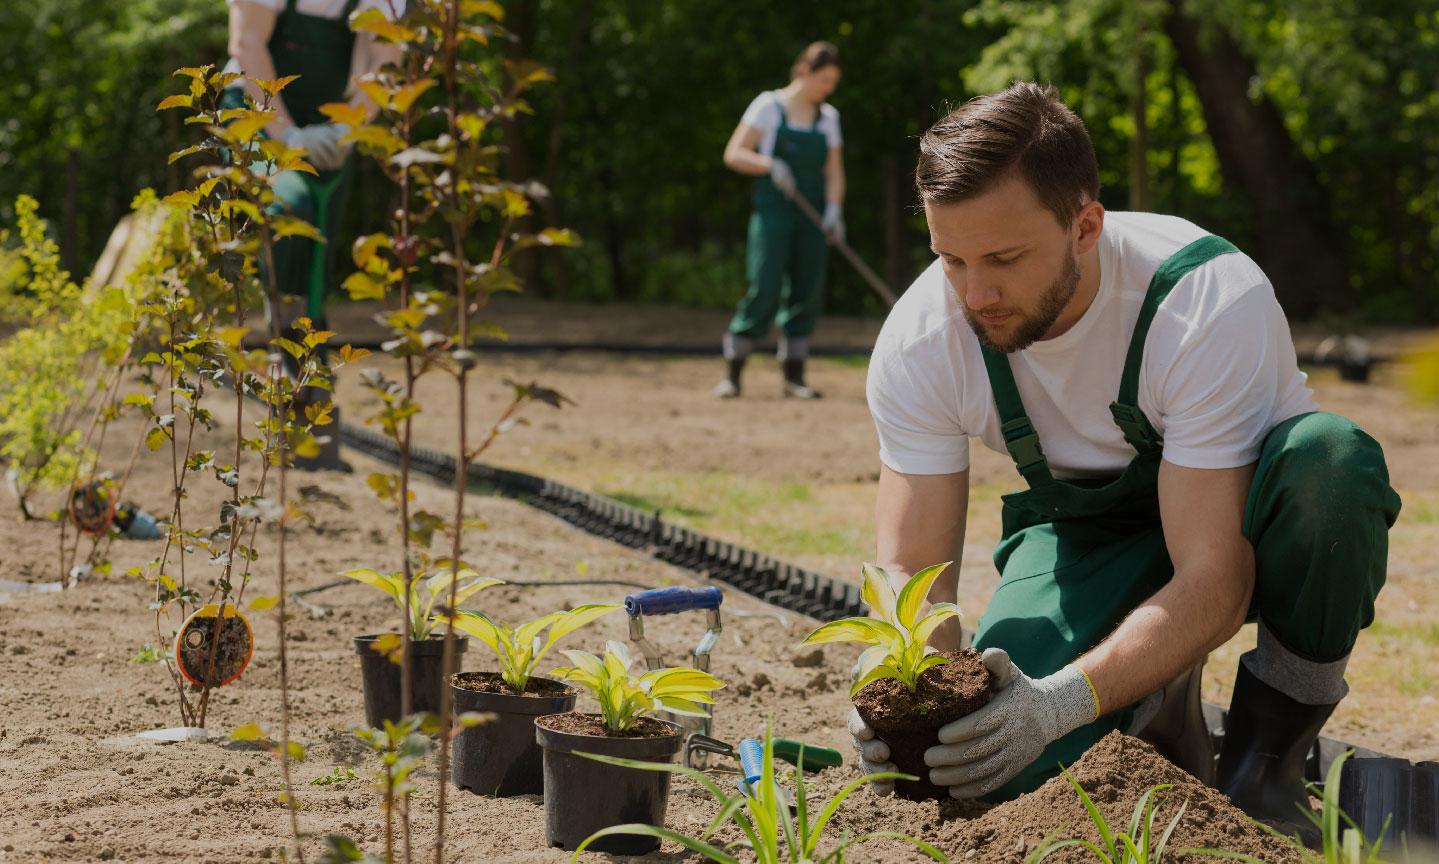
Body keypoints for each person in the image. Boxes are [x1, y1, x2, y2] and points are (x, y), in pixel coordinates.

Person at [848, 82, 1400, 830]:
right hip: (1087, 539)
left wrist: (1062, 702)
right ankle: (1160, 715)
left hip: (1242, 519)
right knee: (1010, 773)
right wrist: (905, 695)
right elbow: (914, 574)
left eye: (1004, 257)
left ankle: (1266, 764)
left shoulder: (1202, 300)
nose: (975, 295)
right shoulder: (922, 338)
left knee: (1330, 465)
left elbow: (1213, 576)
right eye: (951, 260)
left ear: (1084, 226)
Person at [224, 0, 402, 324]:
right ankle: (281, 326)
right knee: (288, 204)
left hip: (325, 123)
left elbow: (386, 63)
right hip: (254, 110)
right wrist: (286, 135)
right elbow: (246, 42)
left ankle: (309, 348)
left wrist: (347, 128)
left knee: (322, 236)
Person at [716, 42, 846, 400]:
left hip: (813, 217)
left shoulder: (828, 118)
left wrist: (834, 210)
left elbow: (834, 172)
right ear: (804, 71)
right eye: (824, 79)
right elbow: (734, 153)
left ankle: (794, 377)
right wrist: (769, 164)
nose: (828, 88)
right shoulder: (768, 106)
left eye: (833, 82)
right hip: (773, 215)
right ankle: (732, 375)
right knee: (765, 286)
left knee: (806, 290)